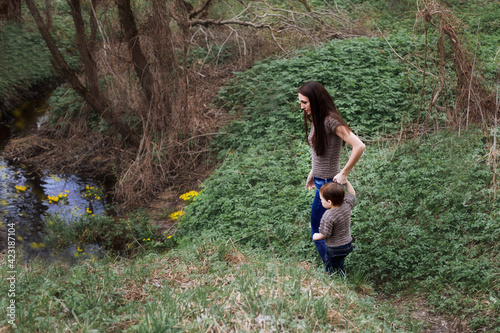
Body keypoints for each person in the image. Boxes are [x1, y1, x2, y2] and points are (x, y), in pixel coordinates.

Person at [298, 80, 365, 267]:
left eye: (304, 102)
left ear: (315, 100)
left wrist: (344, 173)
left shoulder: (331, 121)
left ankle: (333, 271)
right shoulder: (318, 119)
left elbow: (359, 146)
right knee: (320, 228)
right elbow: (322, 151)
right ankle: (334, 269)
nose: (301, 107)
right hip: (321, 181)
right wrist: (313, 171)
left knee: (320, 230)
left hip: (329, 184)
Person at [312, 181, 355, 277]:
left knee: (334, 268)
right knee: (339, 262)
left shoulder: (329, 215)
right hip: (347, 244)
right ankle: (339, 273)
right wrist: (347, 182)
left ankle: (338, 280)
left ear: (329, 202)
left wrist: (315, 236)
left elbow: (325, 233)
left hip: (335, 248)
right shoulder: (346, 205)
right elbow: (352, 194)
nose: (321, 201)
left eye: (321, 200)